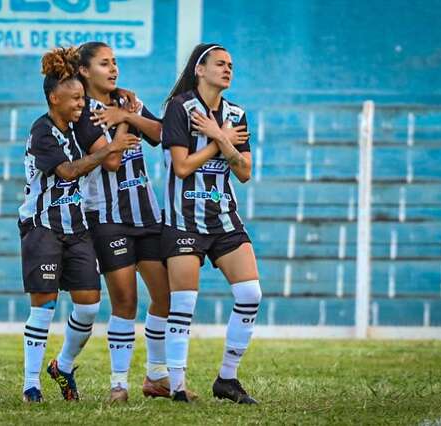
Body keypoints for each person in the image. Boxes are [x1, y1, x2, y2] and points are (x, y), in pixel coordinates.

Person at [18, 46, 140, 403]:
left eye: (82, 99)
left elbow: (110, 154)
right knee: (44, 305)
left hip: (76, 226)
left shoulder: (79, 124)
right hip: (42, 225)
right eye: (74, 99)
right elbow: (69, 171)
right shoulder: (41, 132)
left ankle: (64, 366)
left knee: (87, 305)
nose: (80, 105)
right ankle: (31, 385)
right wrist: (108, 149)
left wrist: (122, 97)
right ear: (54, 98)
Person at [73, 41, 174, 403]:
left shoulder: (126, 102)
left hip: (146, 215)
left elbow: (161, 134)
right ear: (84, 71)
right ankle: (119, 383)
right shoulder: (81, 111)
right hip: (108, 218)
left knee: (164, 295)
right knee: (126, 301)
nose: (113, 69)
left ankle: (157, 377)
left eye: (115, 62)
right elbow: (111, 162)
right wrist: (117, 125)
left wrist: (128, 116)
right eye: (104, 63)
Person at [161, 43, 260, 404]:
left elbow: (245, 172)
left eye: (231, 64)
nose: (227, 69)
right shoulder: (179, 108)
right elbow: (182, 167)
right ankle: (176, 385)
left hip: (224, 220)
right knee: (184, 301)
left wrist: (219, 136)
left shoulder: (236, 113)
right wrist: (221, 143)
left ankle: (227, 379)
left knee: (251, 295)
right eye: (220, 63)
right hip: (182, 220)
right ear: (199, 69)